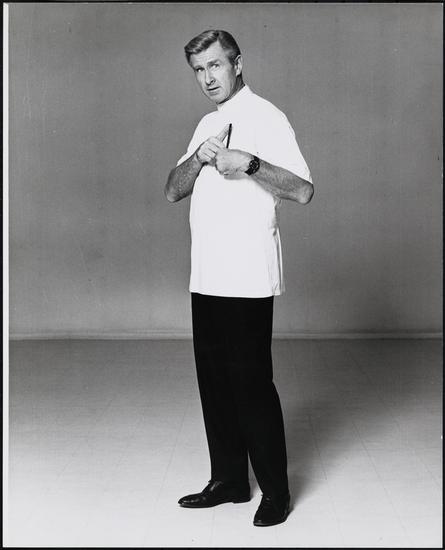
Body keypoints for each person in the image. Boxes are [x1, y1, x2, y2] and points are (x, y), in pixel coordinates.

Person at [164, 29, 314, 527]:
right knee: (214, 383)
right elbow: (172, 190)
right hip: (206, 274)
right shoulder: (206, 123)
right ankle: (228, 480)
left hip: (247, 275)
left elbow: (302, 190)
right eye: (199, 70)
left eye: (215, 65)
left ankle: (276, 492)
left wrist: (248, 163)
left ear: (237, 64)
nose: (208, 78)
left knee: (251, 385)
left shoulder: (268, 117)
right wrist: (198, 158)